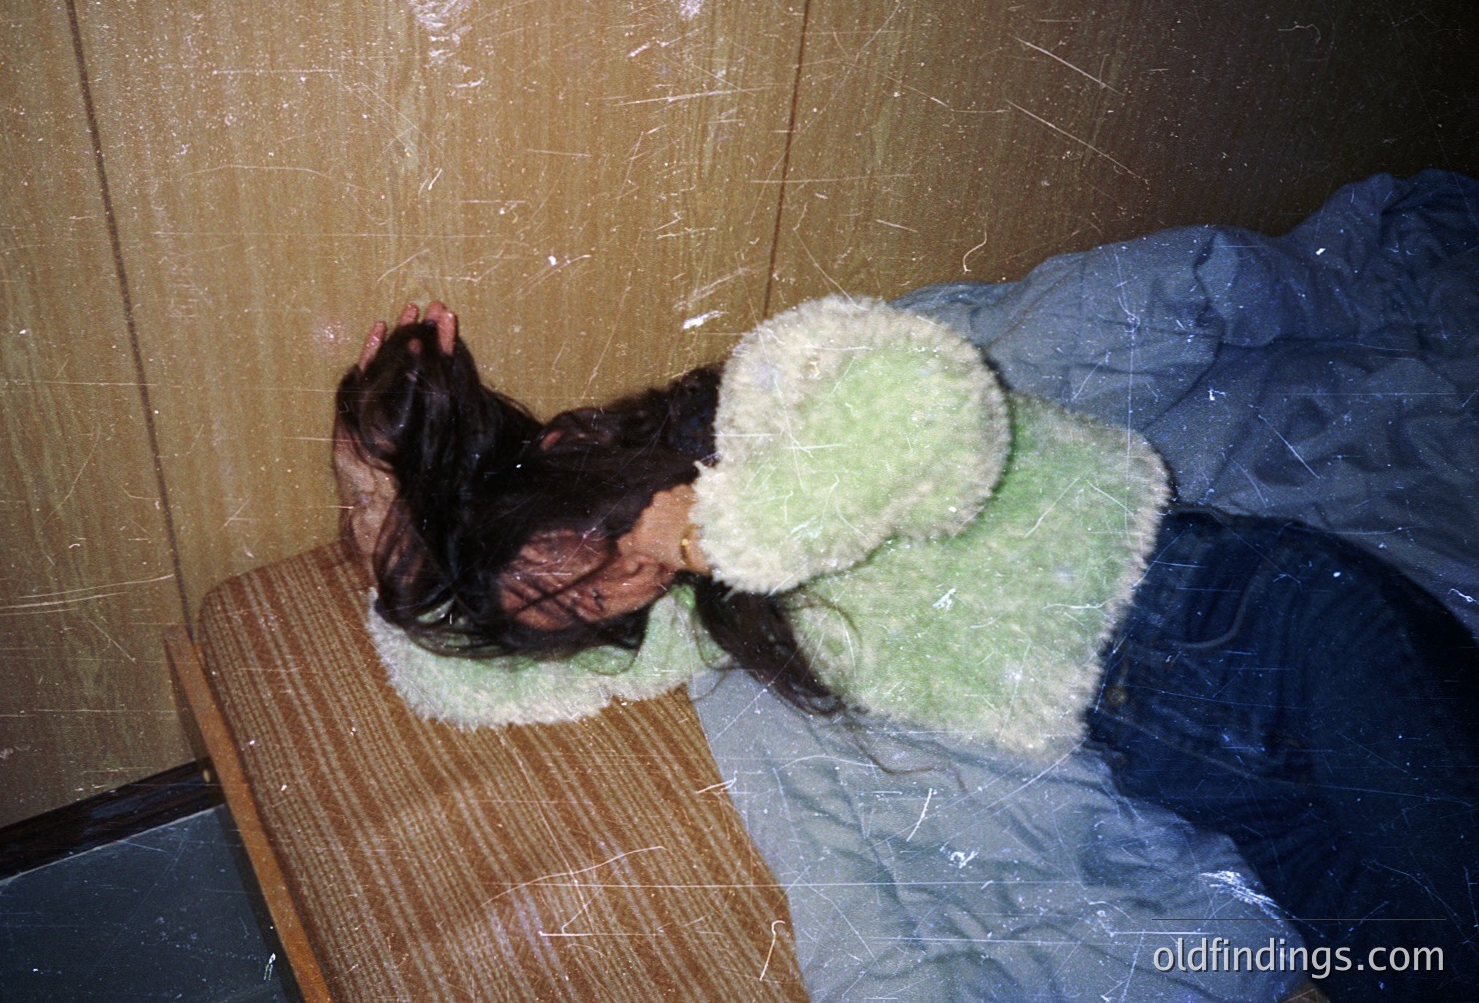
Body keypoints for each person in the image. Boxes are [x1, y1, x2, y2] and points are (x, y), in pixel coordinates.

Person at [335, 300, 1479, 1001]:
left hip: (1270, 621)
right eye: (564, 609)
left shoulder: (769, 400)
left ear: (570, 454)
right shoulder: (697, 605)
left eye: (568, 549)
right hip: (1201, 770)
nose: (604, 585)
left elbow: (936, 401)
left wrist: (731, 517)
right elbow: (458, 682)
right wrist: (372, 483)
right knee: (1408, 969)